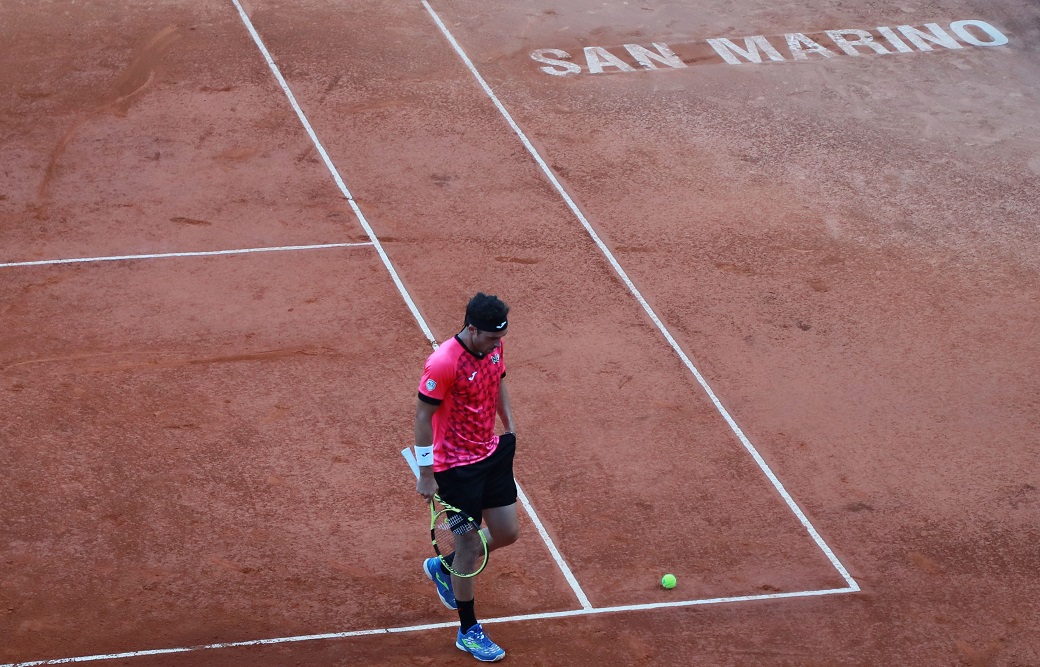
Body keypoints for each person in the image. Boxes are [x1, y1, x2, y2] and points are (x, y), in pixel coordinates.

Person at [413, 292, 519, 662]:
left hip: (491, 453)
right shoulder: (443, 363)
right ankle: (468, 630)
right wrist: (426, 474)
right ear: (472, 329)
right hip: (453, 469)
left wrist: (510, 426)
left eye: (500, 339)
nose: (496, 345)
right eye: (491, 338)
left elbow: (499, 380)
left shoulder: (493, 346)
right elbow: (422, 418)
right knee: (470, 547)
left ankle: (444, 568)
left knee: (507, 533)